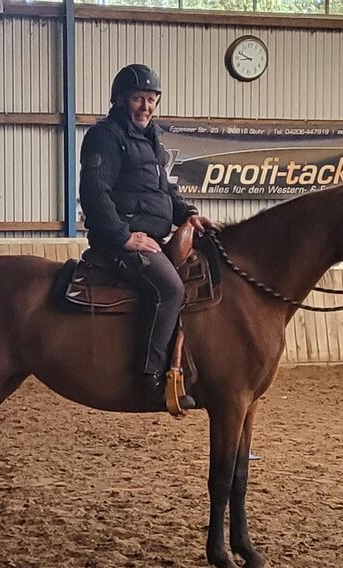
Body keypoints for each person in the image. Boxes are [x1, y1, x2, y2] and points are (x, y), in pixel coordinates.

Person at [79, 63, 210, 410]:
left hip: (155, 236)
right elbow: (94, 191)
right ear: (121, 100)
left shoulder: (151, 139)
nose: (146, 107)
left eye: (151, 99)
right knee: (170, 289)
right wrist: (123, 236)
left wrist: (187, 213)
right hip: (120, 241)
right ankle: (151, 378)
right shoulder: (106, 136)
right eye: (139, 98)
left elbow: (162, 190)